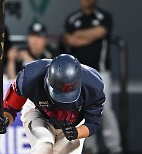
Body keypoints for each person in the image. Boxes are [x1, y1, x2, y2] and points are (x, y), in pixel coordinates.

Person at [0, 54, 105, 154]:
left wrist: (76, 132)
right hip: (38, 112)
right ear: (47, 79)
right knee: (43, 145)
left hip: (73, 125)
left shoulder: (93, 86)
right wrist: (4, 121)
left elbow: (92, 123)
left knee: (62, 151)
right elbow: (9, 109)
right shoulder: (30, 77)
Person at [61, 0, 123, 153]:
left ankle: (115, 148)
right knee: (83, 110)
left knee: (105, 109)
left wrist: (80, 35)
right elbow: (69, 39)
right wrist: (90, 35)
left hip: (100, 72)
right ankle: (89, 148)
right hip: (79, 74)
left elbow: (100, 32)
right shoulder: (72, 18)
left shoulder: (104, 16)